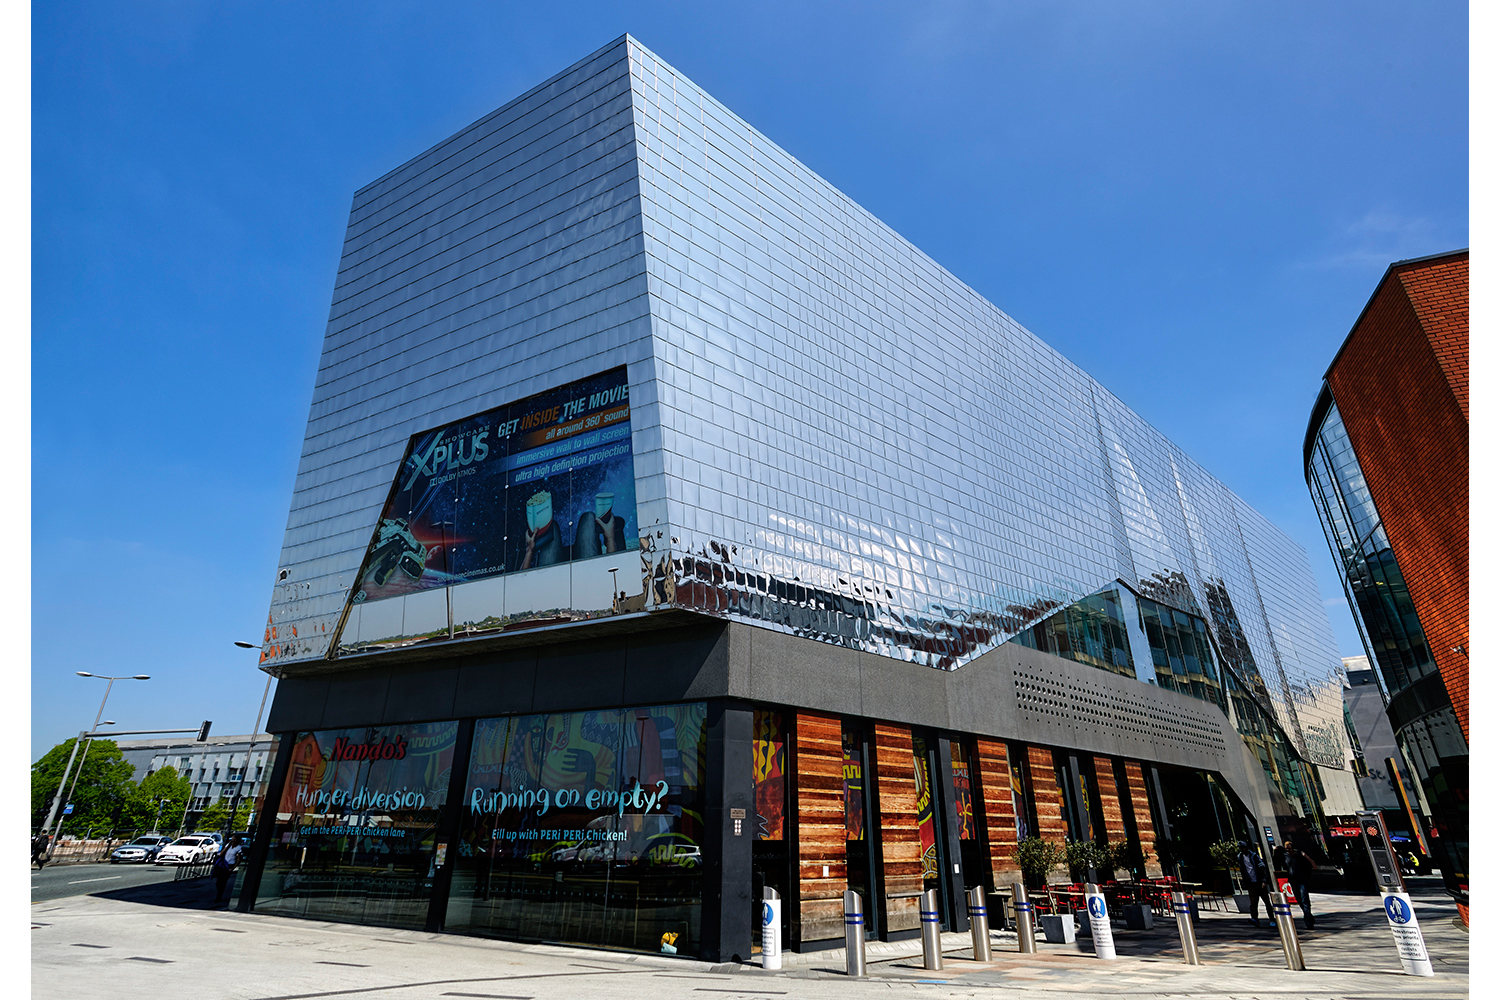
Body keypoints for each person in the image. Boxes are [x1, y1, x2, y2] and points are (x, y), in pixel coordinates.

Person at [1238, 841, 1273, 927]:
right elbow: (1243, 870)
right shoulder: (1240, 857)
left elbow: (1263, 868)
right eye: (1241, 848)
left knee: (1267, 901)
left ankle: (1272, 919)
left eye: (1243, 847)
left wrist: (1264, 881)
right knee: (1253, 902)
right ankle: (1255, 918)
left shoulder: (1254, 856)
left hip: (1259, 882)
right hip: (1251, 883)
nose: (1242, 849)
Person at [1287, 844, 1317, 930]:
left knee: (1305, 901)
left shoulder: (1299, 857)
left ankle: (1308, 922)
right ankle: (1309, 917)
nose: (1288, 851)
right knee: (1299, 901)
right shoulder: (1286, 858)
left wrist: (1306, 856)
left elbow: (1314, 866)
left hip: (1302, 881)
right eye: (1287, 849)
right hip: (1293, 882)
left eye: (1289, 849)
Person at [212, 836, 245, 905]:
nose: (233, 841)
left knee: (223, 882)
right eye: (232, 839)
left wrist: (233, 868)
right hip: (224, 864)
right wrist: (227, 846)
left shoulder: (238, 848)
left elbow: (238, 859)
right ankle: (219, 892)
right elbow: (221, 853)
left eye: (234, 840)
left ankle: (219, 896)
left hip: (230, 865)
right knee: (218, 882)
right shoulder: (228, 845)